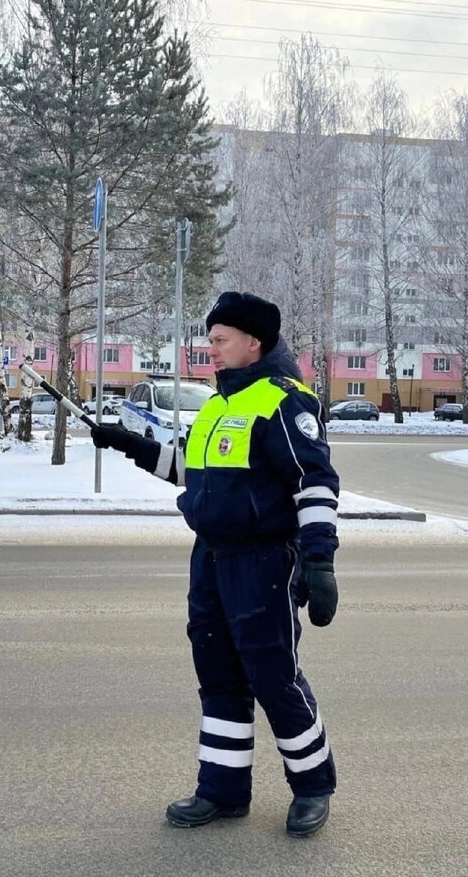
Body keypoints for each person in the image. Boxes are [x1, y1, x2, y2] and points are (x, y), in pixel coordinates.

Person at [92, 291, 340, 838]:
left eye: (221, 340)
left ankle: (313, 786)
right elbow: (193, 472)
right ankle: (223, 792)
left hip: (261, 561)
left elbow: (314, 482)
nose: (211, 351)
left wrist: (319, 561)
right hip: (209, 559)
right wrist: (128, 443)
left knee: (274, 677)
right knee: (219, 678)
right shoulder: (217, 405)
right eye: (210, 340)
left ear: (254, 342)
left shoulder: (284, 402)